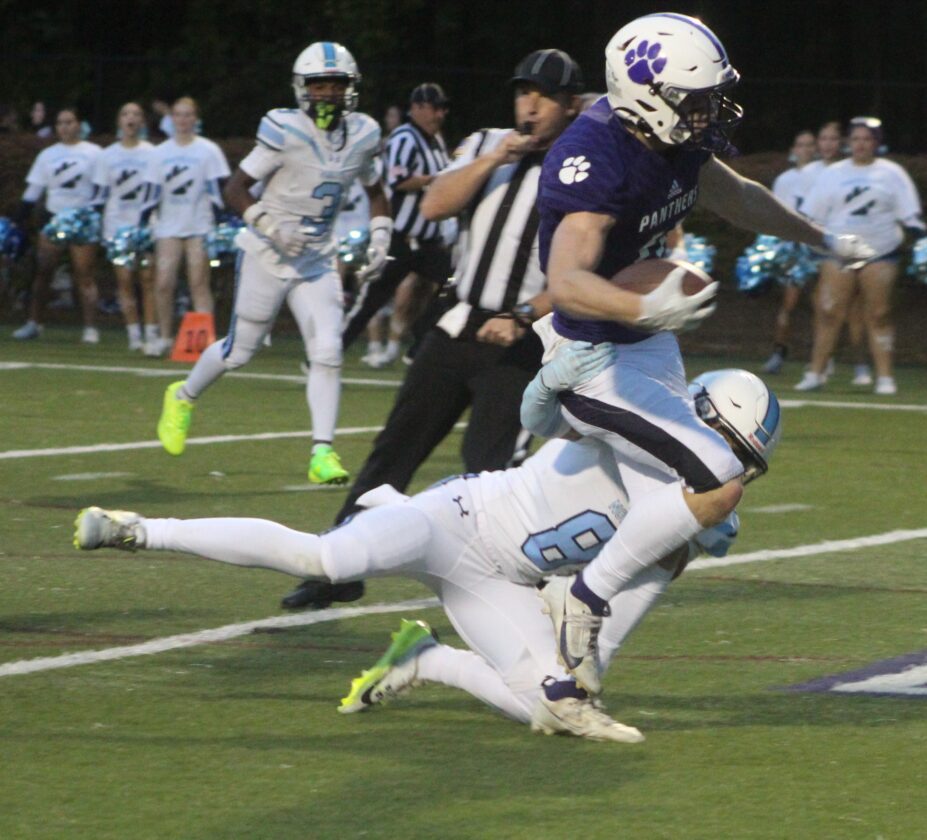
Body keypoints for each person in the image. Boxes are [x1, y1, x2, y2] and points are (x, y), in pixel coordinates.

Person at [75, 342, 778, 741]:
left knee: (547, 709)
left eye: (742, 458)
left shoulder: (707, 510)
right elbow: (542, 413)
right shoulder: (631, 422)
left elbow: (650, 573)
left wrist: (586, 661)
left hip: (500, 581)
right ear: (698, 416)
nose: (731, 468)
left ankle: (425, 659)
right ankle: (142, 530)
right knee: (326, 558)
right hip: (456, 520)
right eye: (731, 447)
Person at [531, 12, 874, 695]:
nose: (708, 113)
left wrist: (824, 239)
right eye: (695, 100)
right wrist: (640, 307)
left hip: (643, 343)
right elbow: (564, 283)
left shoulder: (670, 139)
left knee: (688, 531)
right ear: (645, 96)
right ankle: (581, 595)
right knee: (718, 479)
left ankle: (574, 676)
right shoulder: (594, 155)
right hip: (592, 355)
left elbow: (739, 198)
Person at [281, 48, 585, 611]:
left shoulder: (584, 165)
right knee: (393, 451)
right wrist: (495, 158)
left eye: (544, 97)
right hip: (455, 325)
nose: (530, 105)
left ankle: (510, 591)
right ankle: (338, 566)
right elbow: (436, 204)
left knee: (491, 472)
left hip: (520, 343)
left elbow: (585, 271)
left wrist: (523, 315)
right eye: (524, 92)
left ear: (570, 105)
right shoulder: (484, 142)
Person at [155, 42, 390, 487]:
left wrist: (381, 237)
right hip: (268, 254)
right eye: (318, 85)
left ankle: (322, 451)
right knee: (239, 352)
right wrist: (270, 226)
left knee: (328, 350)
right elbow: (235, 188)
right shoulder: (285, 129)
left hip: (316, 260)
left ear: (350, 88)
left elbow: (376, 191)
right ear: (302, 88)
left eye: (335, 85)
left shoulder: (363, 134)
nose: (327, 93)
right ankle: (183, 395)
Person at [795, 117, 925, 395]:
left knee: (879, 313)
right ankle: (816, 373)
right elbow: (812, 214)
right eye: (855, 139)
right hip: (840, 251)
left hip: (881, 250)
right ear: (848, 143)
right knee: (829, 312)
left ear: (876, 142)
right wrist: (812, 241)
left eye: (867, 139)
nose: (861, 144)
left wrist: (919, 236)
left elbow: (909, 213)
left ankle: (885, 377)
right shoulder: (833, 173)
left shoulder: (892, 173)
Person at [341, 82, 452, 355]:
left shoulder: (436, 140)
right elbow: (399, 180)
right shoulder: (404, 138)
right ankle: (331, 350)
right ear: (416, 108)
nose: (439, 115)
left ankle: (420, 344)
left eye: (443, 109)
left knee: (455, 287)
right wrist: (437, 181)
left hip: (428, 241)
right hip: (400, 239)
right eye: (434, 108)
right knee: (370, 301)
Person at [145, 96, 230, 355]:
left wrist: (222, 220)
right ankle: (164, 337)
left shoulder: (208, 150)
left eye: (188, 115)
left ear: (195, 119)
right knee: (163, 282)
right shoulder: (159, 152)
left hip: (199, 224)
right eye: (178, 115)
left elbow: (219, 188)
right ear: (171, 119)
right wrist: (144, 220)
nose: (183, 120)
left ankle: (205, 342)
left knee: (199, 283)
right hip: (168, 226)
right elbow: (152, 192)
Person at [12, 107, 102, 342]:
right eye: (60, 123)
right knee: (43, 272)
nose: (65, 127)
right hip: (54, 219)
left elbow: (101, 188)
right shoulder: (48, 155)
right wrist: (19, 217)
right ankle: (34, 323)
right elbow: (34, 189)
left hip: (82, 221)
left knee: (85, 275)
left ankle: (90, 329)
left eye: (69, 122)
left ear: (79, 124)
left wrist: (93, 213)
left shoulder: (94, 153)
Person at [93, 102, 159, 354]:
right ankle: (133, 334)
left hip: (145, 226)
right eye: (125, 114)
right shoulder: (107, 155)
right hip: (116, 225)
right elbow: (101, 193)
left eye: (136, 114)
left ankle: (151, 334)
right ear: (119, 121)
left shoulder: (152, 153)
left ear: (142, 121)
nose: (130, 118)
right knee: (124, 280)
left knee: (148, 279)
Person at [759, 128, 818, 374]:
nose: (805, 150)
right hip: (793, 248)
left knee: (823, 304)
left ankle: (822, 359)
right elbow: (776, 213)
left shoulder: (825, 174)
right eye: (801, 145)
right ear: (794, 150)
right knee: (789, 304)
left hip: (817, 246)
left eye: (809, 145)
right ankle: (779, 351)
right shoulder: (784, 179)